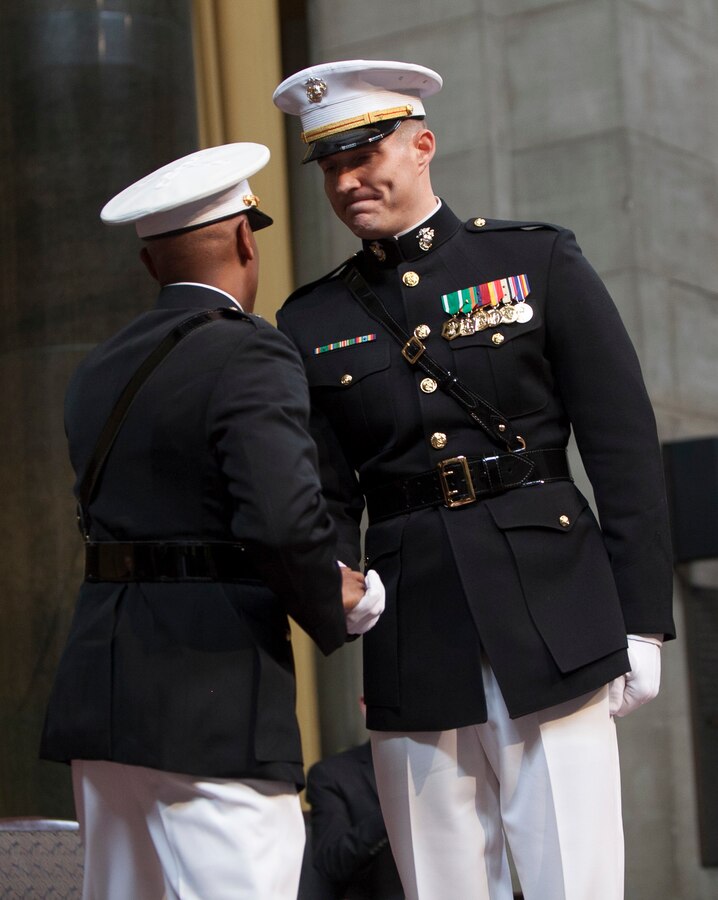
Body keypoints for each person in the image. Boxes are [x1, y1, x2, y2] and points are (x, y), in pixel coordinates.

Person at [272, 60, 675, 900]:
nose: (347, 182)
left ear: (422, 145)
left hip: (554, 610)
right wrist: (336, 604)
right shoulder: (312, 319)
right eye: (330, 167)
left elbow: (624, 449)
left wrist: (642, 618)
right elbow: (327, 493)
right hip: (415, 630)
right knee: (442, 881)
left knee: (575, 877)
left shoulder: (535, 261)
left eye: (364, 156)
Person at [39, 142, 384, 900]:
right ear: (242, 239)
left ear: (149, 264)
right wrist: (342, 598)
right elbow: (281, 521)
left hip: (102, 693)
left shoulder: (97, 368)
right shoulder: (251, 350)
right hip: (214, 700)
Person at [303, 700, 403, 899]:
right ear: (365, 706)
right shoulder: (332, 775)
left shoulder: (454, 770)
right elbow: (332, 861)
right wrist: (394, 811)